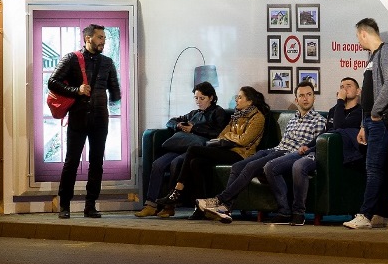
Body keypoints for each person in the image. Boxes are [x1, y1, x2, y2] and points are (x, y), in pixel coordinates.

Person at [198, 80, 325, 224]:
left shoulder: (319, 121)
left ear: (314, 98)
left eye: (309, 95)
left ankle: (220, 200)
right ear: (296, 100)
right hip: (276, 149)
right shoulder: (293, 120)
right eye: (301, 95)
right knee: (237, 166)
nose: (306, 98)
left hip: (290, 154)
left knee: (252, 167)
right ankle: (226, 208)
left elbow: (315, 148)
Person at [263, 77, 363, 226]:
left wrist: (340, 101)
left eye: (349, 86)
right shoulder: (333, 110)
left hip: (332, 156)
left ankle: (298, 213)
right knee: (270, 167)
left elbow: (339, 127)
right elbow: (325, 132)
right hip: (315, 150)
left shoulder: (360, 112)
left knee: (299, 166)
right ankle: (284, 211)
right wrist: (308, 146)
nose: (344, 89)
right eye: (342, 86)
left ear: (358, 91)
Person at [157, 86, 268, 216]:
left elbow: (244, 140)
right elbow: (221, 135)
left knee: (192, 149)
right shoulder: (237, 115)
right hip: (227, 149)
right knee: (195, 162)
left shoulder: (258, 118)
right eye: (236, 97)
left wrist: (230, 137)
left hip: (241, 154)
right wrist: (231, 137)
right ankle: (200, 208)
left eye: (239, 97)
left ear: (249, 101)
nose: (236, 100)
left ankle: (177, 191)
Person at [48, 23, 121, 219]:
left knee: (97, 163)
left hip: (100, 119)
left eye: (104, 38)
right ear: (88, 38)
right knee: (71, 162)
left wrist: (114, 95)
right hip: (78, 117)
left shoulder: (107, 62)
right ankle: (64, 206)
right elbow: (52, 82)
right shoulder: (71, 59)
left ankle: (91, 205)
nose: (103, 41)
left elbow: (115, 92)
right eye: (100, 37)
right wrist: (76, 90)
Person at [135, 82, 228, 218]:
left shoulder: (218, 112)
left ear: (211, 98)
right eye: (196, 98)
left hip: (197, 149)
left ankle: (169, 206)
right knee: (158, 164)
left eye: (202, 98)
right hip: (181, 146)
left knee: (176, 163)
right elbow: (171, 121)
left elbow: (219, 133)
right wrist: (178, 125)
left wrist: (194, 129)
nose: (198, 101)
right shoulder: (194, 114)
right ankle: (150, 205)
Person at [344, 18, 388, 230]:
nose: (358, 41)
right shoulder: (371, 56)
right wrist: (364, 124)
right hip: (371, 122)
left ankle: (365, 214)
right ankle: (380, 213)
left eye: (358, 36)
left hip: (379, 121)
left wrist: (375, 112)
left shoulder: (385, 51)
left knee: (373, 168)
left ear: (364, 33)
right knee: (377, 168)